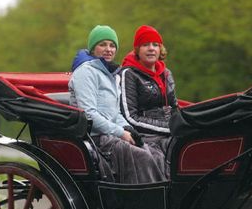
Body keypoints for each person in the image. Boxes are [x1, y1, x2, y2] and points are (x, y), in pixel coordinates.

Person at [68, 24, 165, 184]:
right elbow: (89, 114)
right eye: (103, 44)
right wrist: (120, 132)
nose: (108, 49)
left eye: (112, 45)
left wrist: (129, 130)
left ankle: (163, 201)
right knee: (143, 157)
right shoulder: (85, 72)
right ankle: (146, 203)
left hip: (112, 133)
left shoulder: (111, 74)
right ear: (93, 48)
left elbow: (115, 113)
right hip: (96, 138)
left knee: (156, 154)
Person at [117, 25, 176, 177]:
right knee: (162, 156)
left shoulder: (166, 73)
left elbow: (174, 107)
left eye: (155, 45)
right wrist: (169, 128)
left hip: (170, 130)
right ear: (137, 49)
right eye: (145, 45)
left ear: (160, 49)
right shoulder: (129, 74)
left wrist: (182, 125)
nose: (151, 48)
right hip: (147, 136)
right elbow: (130, 117)